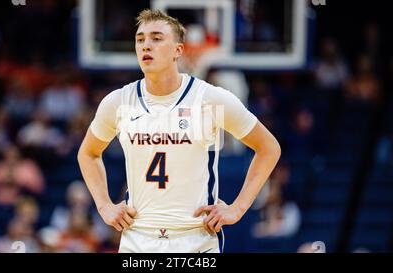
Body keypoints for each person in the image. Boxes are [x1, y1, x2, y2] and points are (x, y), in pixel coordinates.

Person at [77, 9, 281, 253]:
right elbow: (88, 153)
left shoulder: (211, 99)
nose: (146, 45)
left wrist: (237, 208)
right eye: (140, 39)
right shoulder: (118, 102)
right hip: (138, 238)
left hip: (195, 238)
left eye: (156, 38)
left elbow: (269, 147)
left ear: (178, 51)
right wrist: (104, 206)